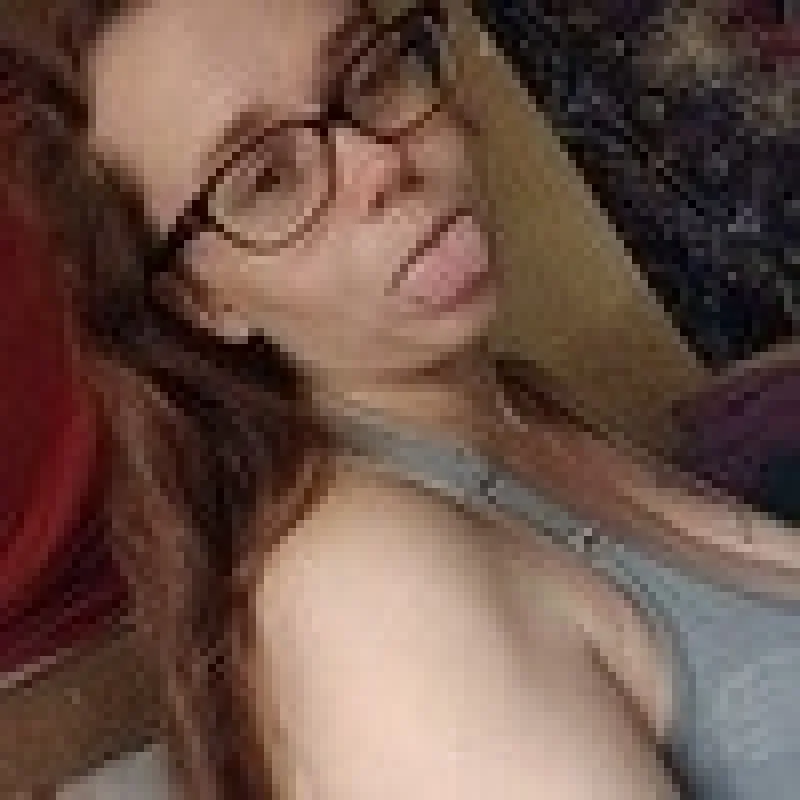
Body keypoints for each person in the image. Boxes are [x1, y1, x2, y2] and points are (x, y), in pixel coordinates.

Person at [2, 1, 800, 799]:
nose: (383, 162)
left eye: (371, 74)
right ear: (199, 302)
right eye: (268, 178)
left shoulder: (511, 414)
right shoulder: (372, 598)